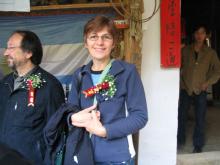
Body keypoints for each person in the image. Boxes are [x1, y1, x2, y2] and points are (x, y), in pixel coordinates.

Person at [68, 15, 148, 164]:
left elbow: (140, 116)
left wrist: (104, 131)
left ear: (114, 43)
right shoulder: (79, 75)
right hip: (83, 155)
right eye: (93, 37)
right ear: (85, 42)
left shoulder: (127, 72)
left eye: (106, 37)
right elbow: (70, 110)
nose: (99, 42)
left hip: (116, 158)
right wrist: (73, 118)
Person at [0, 30, 65, 164]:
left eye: (11, 47)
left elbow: (57, 133)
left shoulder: (49, 86)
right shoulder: (5, 83)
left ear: (29, 52)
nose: (5, 52)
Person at [177, 24, 220, 153]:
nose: (199, 35)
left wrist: (208, 82)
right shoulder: (185, 50)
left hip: (200, 90)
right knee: (181, 116)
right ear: (193, 35)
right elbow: (178, 67)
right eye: (197, 33)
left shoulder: (211, 53)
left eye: (202, 33)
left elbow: (217, 71)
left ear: (205, 35)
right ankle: (180, 140)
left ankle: (198, 144)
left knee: (200, 118)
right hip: (185, 88)